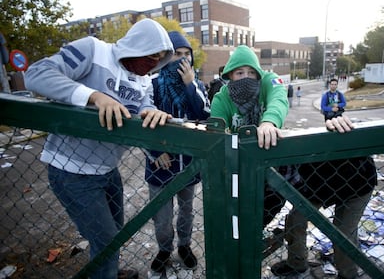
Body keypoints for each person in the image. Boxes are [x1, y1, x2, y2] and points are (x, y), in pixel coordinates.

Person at [24, 18, 175, 279]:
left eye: (159, 59)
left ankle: (109, 272)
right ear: (136, 46)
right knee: (105, 240)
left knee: (114, 233)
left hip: (109, 169)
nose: (153, 63)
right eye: (151, 56)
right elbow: (36, 75)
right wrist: (93, 96)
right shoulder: (93, 50)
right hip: (71, 169)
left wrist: (152, 112)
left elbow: (144, 105)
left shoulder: (143, 79)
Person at [271, 115, 378, 279]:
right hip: (317, 186)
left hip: (357, 185)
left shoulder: (311, 151)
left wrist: (339, 121)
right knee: (295, 219)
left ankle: (348, 275)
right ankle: (296, 264)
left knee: (344, 232)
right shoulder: (284, 168)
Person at [145, 31, 210, 274]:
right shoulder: (151, 84)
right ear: (166, 57)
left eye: (186, 55)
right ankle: (164, 249)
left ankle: (184, 246)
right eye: (176, 54)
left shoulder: (197, 85)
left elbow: (204, 116)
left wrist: (190, 84)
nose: (182, 60)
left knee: (186, 212)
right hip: (160, 165)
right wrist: (155, 152)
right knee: (161, 217)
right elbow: (141, 121)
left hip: (188, 165)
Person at [210, 45, 290, 236]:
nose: (246, 77)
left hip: (269, 165)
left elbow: (279, 99)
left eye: (251, 72)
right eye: (239, 72)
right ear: (230, 75)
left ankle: (255, 233)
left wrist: (269, 122)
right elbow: (218, 134)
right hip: (238, 168)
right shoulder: (222, 98)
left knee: (272, 203)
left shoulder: (268, 81)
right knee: (236, 212)